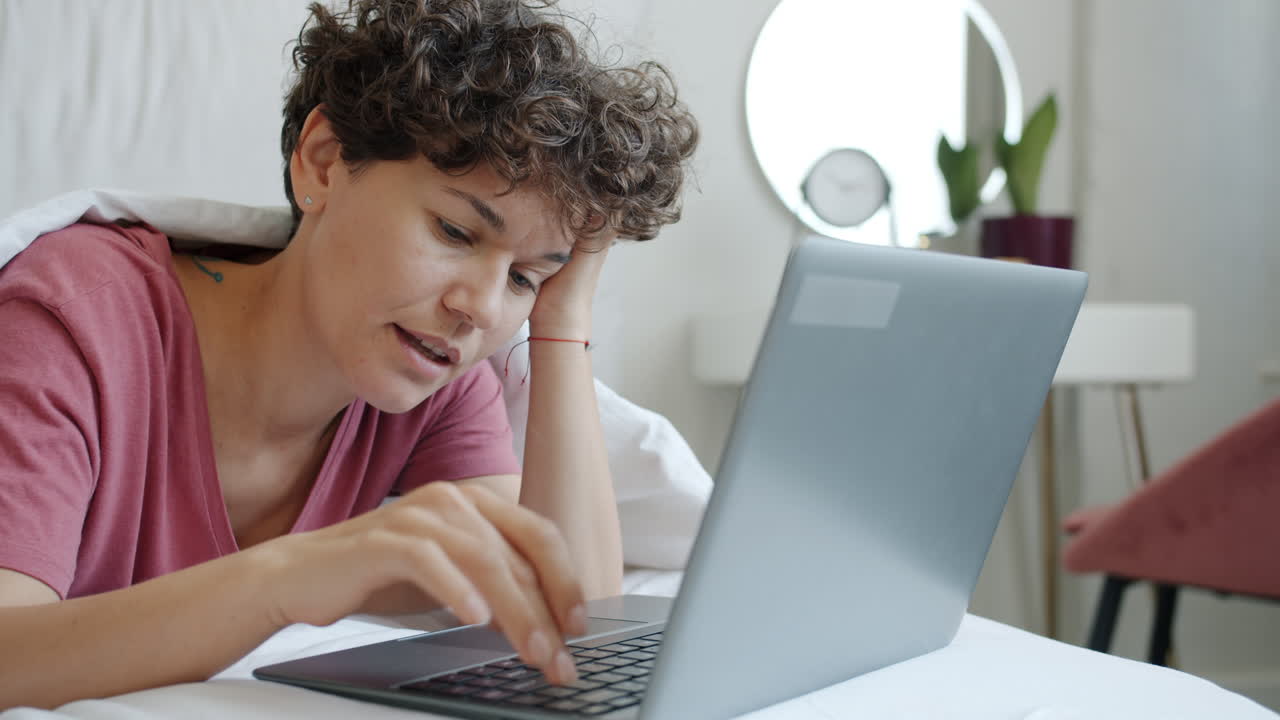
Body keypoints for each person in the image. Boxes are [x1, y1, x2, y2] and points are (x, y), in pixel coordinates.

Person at [0, 0, 697, 709]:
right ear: (324, 162)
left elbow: (566, 613)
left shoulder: (434, 380)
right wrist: (290, 578)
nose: (482, 310)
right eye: (456, 232)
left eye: (524, 277)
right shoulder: (73, 321)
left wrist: (561, 317)